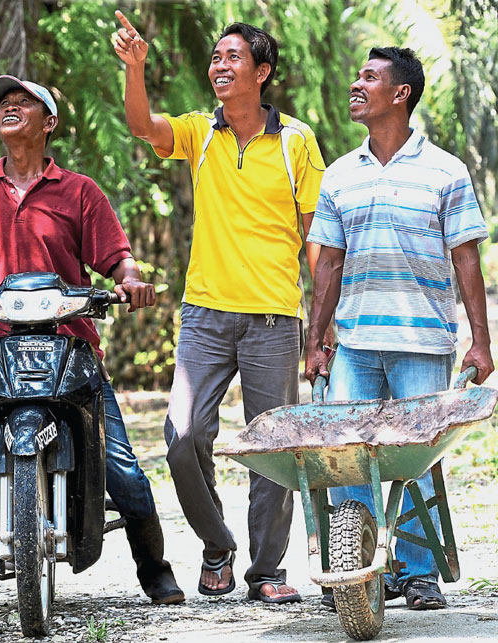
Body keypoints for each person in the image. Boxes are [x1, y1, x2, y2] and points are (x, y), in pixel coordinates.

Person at [0, 75, 185, 615]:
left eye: (24, 102)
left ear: (50, 123)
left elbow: (117, 258)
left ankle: (154, 569)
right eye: (4, 103)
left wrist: (131, 279)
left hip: (71, 347)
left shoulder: (80, 191)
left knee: (127, 474)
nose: (10, 108)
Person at [112, 12, 328, 603]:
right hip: (205, 315)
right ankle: (217, 545)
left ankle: (265, 572)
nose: (219, 66)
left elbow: (316, 238)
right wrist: (136, 69)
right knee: (181, 435)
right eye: (215, 58)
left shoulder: (295, 142)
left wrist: (321, 328)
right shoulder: (199, 134)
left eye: (232, 58)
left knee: (272, 449)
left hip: (274, 319)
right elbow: (141, 125)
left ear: (262, 72)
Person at [305, 47, 494, 610]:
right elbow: (328, 263)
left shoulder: (446, 171)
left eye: (370, 78)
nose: (356, 84)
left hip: (421, 340)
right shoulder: (340, 174)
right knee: (347, 453)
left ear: (401, 93)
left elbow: (466, 260)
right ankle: (357, 567)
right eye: (358, 74)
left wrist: (480, 340)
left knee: (416, 458)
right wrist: (317, 342)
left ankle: (415, 573)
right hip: (355, 344)